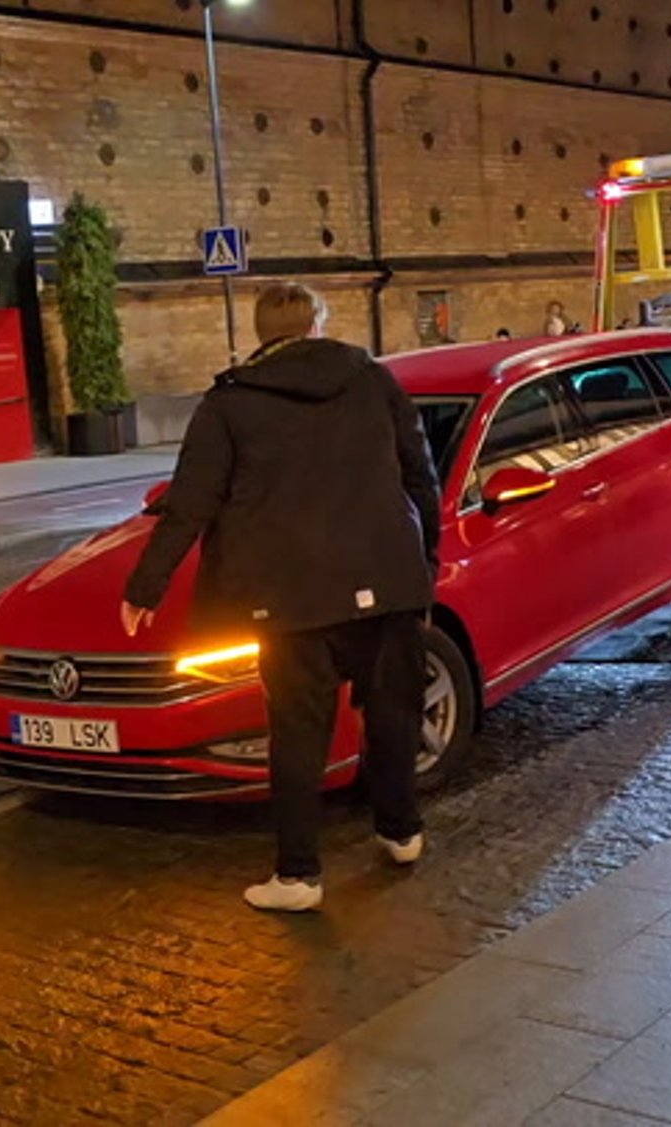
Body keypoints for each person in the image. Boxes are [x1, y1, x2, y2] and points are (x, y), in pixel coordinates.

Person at [121, 282, 440, 912]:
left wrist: (145, 587)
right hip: (387, 579)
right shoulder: (373, 381)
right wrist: (424, 558)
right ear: (318, 324)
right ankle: (401, 832)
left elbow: (190, 503)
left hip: (289, 597)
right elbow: (419, 473)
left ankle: (298, 877)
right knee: (393, 712)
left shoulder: (229, 404)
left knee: (297, 733)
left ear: (260, 332)